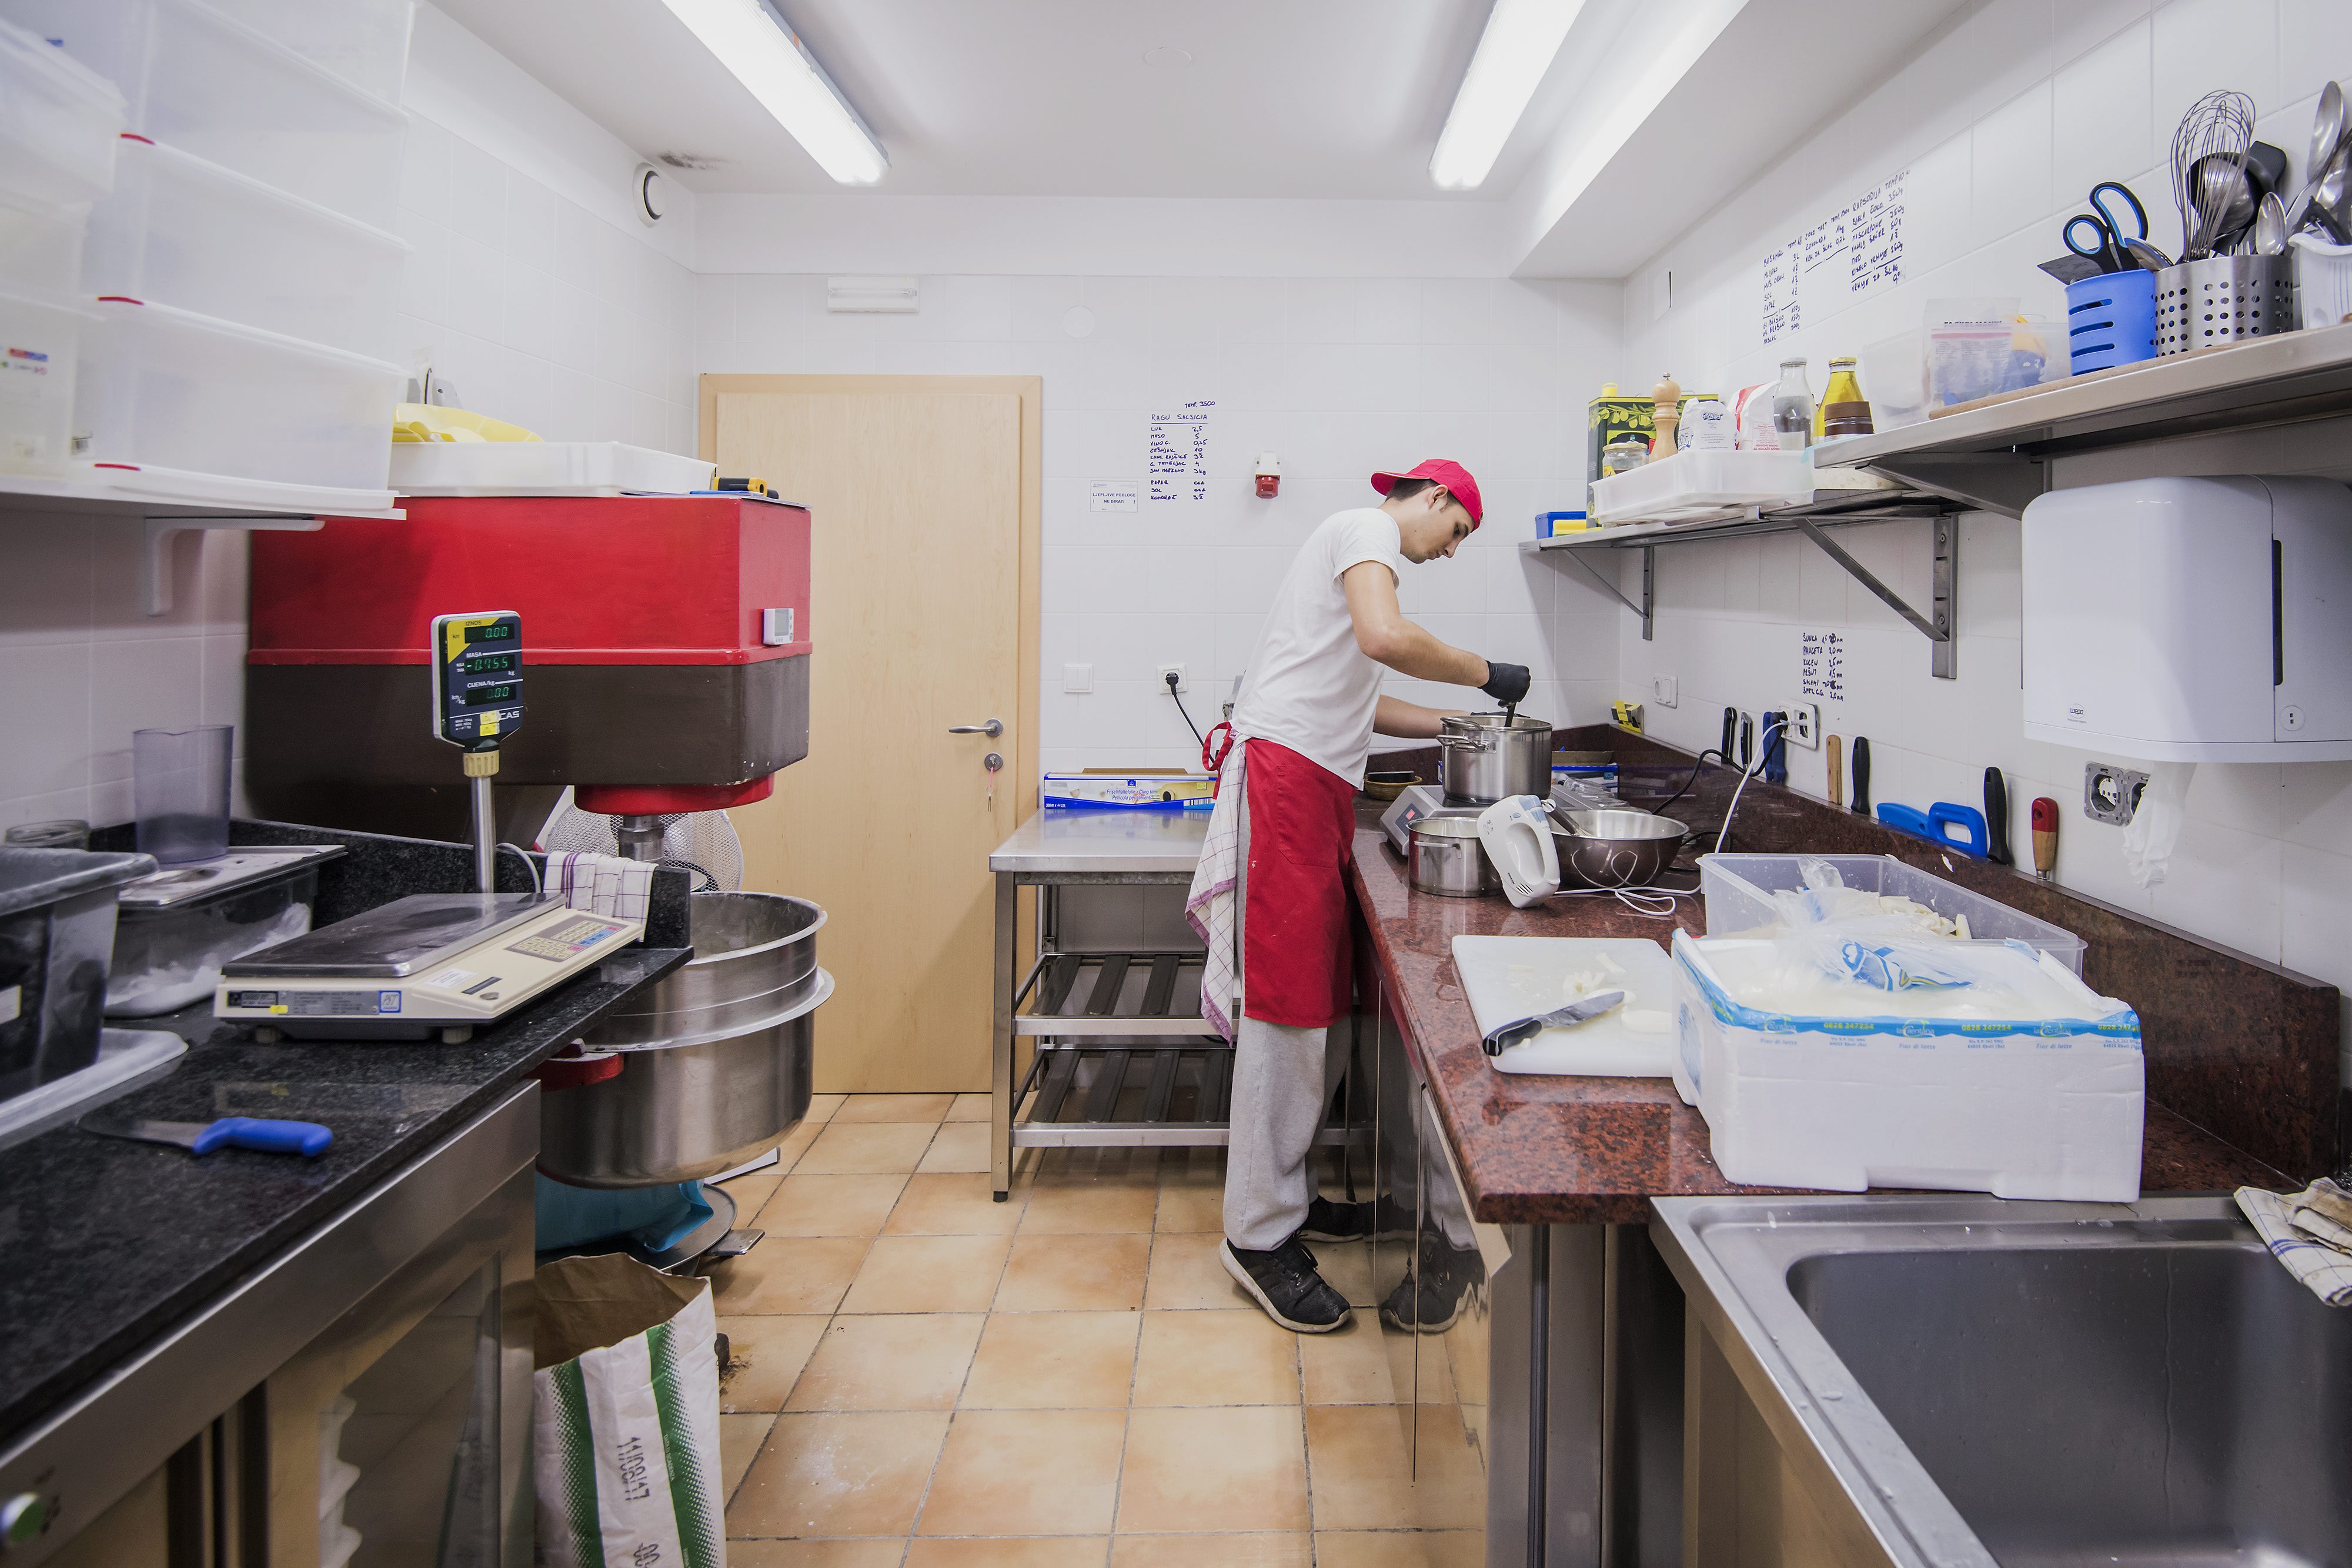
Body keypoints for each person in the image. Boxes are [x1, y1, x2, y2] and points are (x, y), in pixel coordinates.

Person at [1185, 458, 1531, 1333]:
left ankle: (1285, 1206)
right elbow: (1384, 638)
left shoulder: (1352, 561)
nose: (1450, 553)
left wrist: (1466, 727)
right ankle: (1256, 1238)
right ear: (1436, 498)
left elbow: (1365, 700)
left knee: (1319, 1013)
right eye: (1457, 535)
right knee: (1287, 1012)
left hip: (1314, 788)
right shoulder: (1364, 528)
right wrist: (1485, 672)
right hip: (1288, 787)